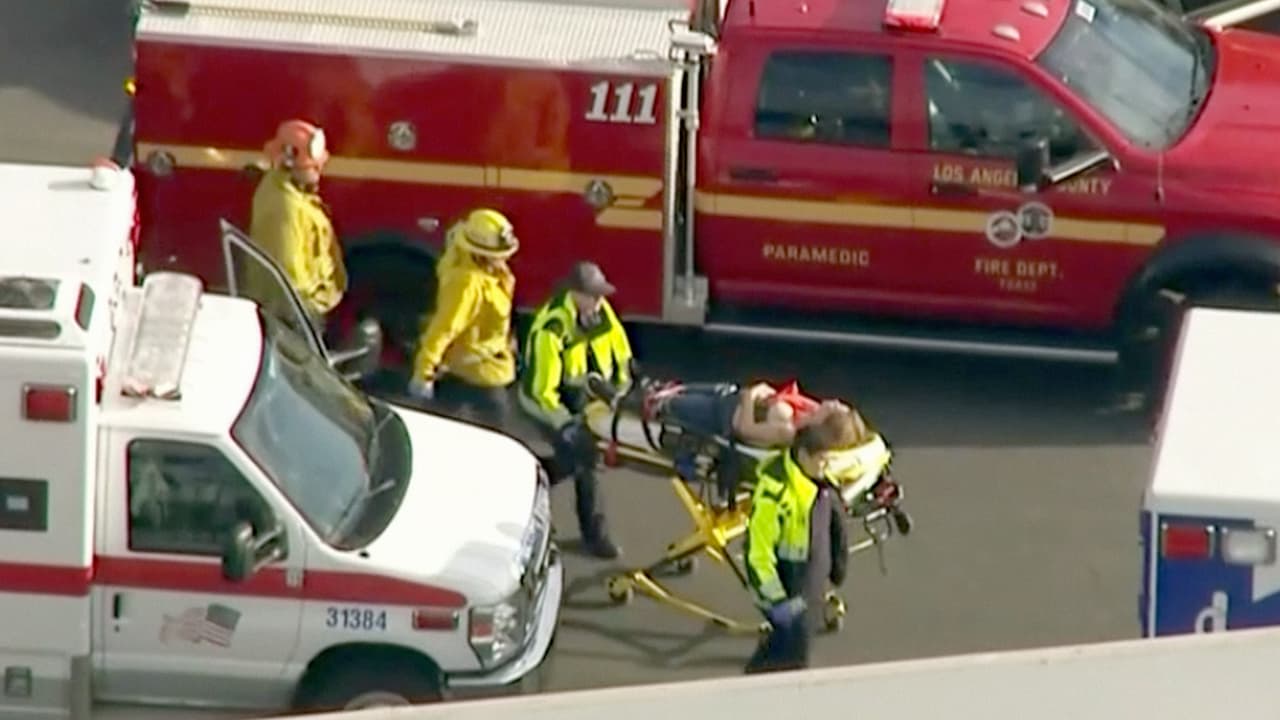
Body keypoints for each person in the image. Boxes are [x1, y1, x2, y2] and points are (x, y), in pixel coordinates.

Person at [517, 261, 633, 559]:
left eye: (600, 294)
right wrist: (567, 426)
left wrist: (622, 391)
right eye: (592, 295)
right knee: (586, 461)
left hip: (581, 397)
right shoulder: (552, 328)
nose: (599, 301)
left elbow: (620, 352)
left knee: (573, 462)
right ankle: (595, 536)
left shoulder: (600, 313)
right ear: (575, 294)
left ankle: (527, 477)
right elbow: (541, 392)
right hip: (547, 404)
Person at [743, 404, 857, 675]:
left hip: (812, 589)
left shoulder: (819, 483)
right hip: (789, 593)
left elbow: (834, 525)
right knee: (788, 661)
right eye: (822, 460)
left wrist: (838, 568)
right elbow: (757, 554)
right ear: (803, 454)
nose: (826, 466)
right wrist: (776, 602)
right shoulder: (775, 493)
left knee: (790, 656)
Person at [405, 209, 520, 431]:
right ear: (480, 253)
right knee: (500, 435)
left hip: (485, 368)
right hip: (473, 373)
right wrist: (424, 372)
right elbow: (444, 329)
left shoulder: (492, 274)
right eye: (499, 253)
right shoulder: (466, 284)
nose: (505, 258)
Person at [248, 119, 348, 337]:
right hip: (296, 315)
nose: (319, 169)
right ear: (291, 164)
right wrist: (307, 316)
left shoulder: (287, 190)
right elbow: (289, 275)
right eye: (312, 166)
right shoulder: (286, 209)